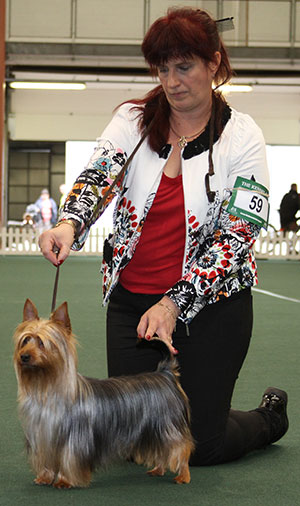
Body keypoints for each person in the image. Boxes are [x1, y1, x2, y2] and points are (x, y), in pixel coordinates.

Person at [39, 7, 288, 466]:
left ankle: (268, 418)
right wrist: (69, 223)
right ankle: (202, 408)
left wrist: (174, 303)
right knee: (139, 443)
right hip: (134, 307)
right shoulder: (130, 122)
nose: (172, 81)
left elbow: (237, 235)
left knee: (198, 447)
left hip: (212, 307)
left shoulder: (243, 137)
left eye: (185, 66)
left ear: (214, 63)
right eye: (163, 68)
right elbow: (98, 176)